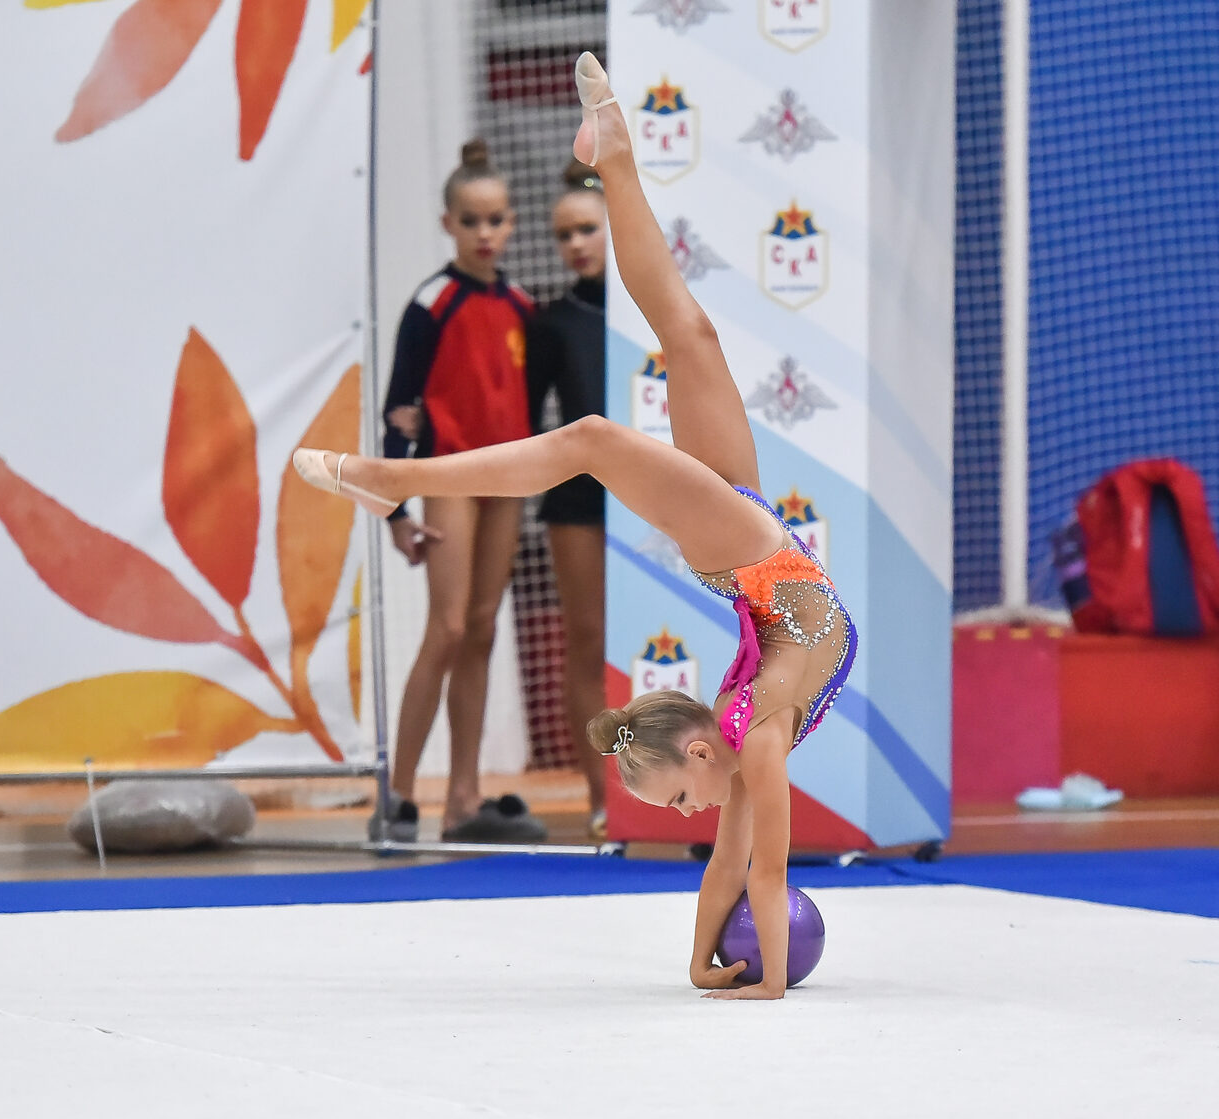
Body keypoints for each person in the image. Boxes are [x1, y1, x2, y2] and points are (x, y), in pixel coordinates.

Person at [295, 54, 857, 999]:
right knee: (679, 342)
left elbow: (741, 868)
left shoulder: (748, 742)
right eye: (682, 798)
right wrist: (745, 977)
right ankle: (616, 160)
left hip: (751, 556)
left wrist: (708, 964)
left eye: (674, 800)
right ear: (697, 751)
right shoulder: (753, 744)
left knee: (623, 407)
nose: (690, 810)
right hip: (756, 551)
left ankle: (388, 477)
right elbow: (755, 872)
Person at [372, 138, 547, 844]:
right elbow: (398, 407)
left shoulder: (522, 307)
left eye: (497, 219)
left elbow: (527, 402)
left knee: (482, 628)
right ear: (448, 223)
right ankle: (399, 792)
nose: (485, 233)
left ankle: (464, 799)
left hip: (506, 483)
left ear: (511, 225)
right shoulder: (431, 302)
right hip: (450, 475)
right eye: (472, 220)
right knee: (445, 628)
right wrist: (395, 509)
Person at [526, 159, 610, 838]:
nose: (575, 244)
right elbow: (525, 422)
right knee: (586, 642)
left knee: (656, 641)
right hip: (579, 501)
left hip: (656, 497)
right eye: (563, 235)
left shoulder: (650, 310)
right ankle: (601, 793)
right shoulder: (554, 321)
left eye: (586, 229)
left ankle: (678, 787)